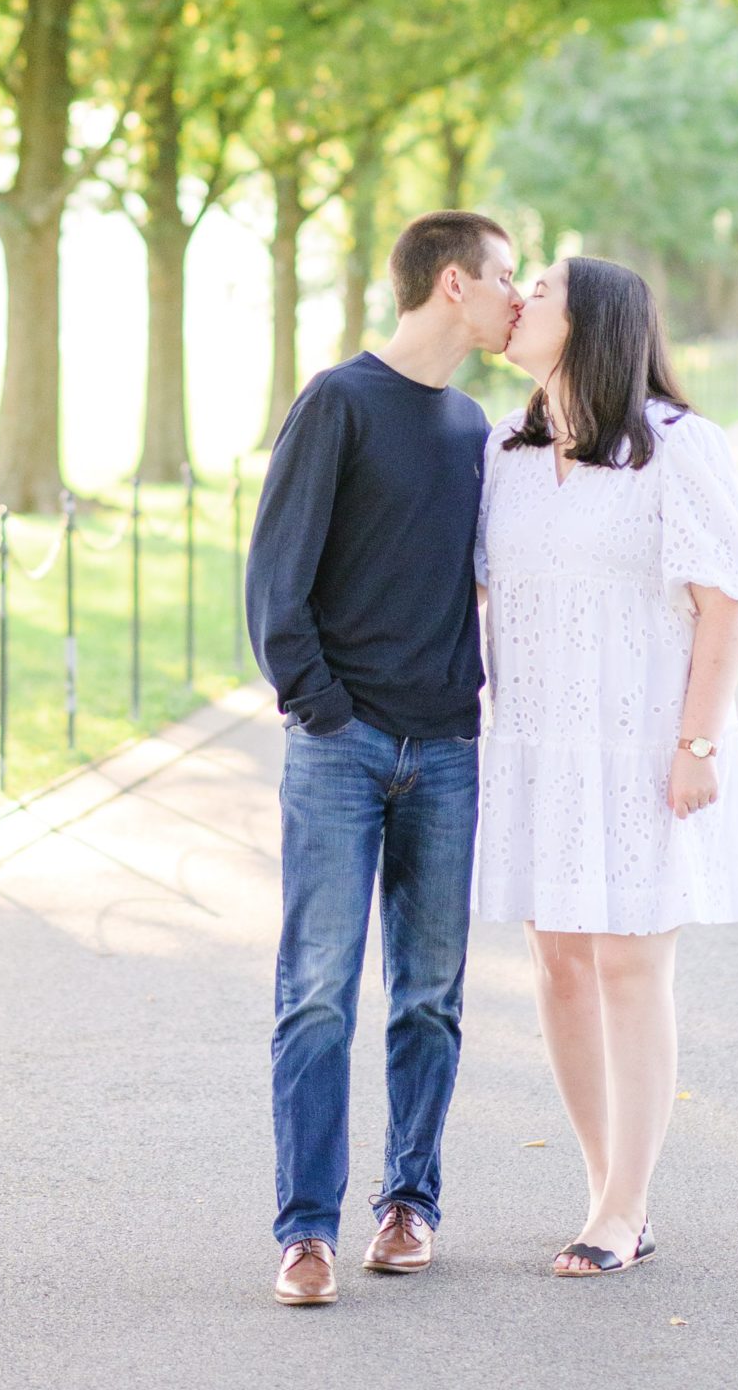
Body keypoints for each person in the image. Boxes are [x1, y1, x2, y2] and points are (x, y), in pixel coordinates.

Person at [476, 253, 738, 1278]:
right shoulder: (502, 455)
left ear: (593, 320)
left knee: (627, 964)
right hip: (535, 750)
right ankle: (607, 1194)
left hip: (645, 745)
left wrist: (694, 743)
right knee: (557, 963)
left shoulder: (678, 449)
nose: (518, 301)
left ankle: (623, 1203)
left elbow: (723, 602)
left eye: (542, 288)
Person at [245, 210, 523, 1307]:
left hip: (447, 750)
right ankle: (305, 1229)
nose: (515, 296)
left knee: (429, 997)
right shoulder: (337, 401)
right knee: (315, 992)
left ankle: (408, 1204)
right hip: (340, 748)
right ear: (452, 284)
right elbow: (277, 578)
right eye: (505, 277)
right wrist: (320, 709)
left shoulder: (473, 427)